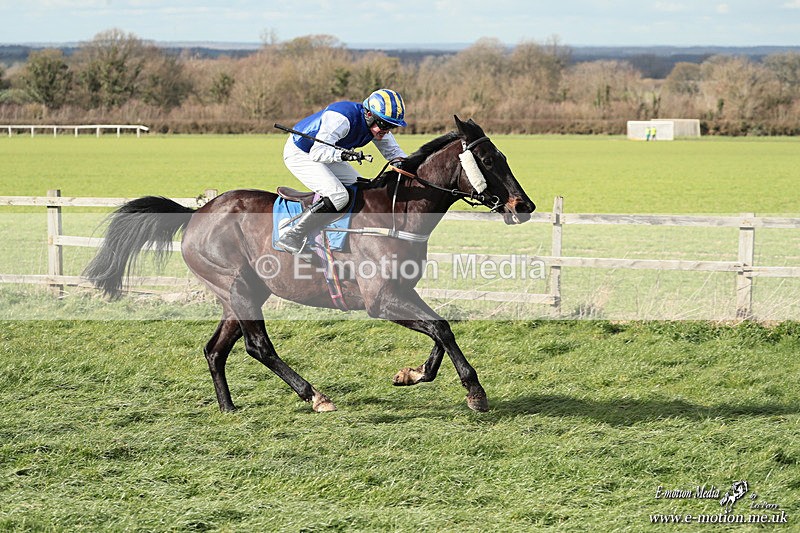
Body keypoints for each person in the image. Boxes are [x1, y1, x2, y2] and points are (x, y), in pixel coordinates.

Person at [277, 88, 408, 254]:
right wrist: (344, 155)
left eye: (392, 126)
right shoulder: (342, 119)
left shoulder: (377, 127)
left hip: (326, 153)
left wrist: (414, 169)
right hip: (301, 153)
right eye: (384, 124)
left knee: (362, 188)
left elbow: (395, 155)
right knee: (338, 196)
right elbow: (317, 152)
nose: (387, 130)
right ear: (369, 115)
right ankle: (293, 235)